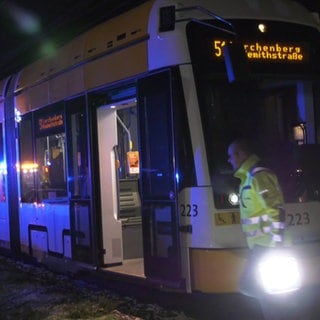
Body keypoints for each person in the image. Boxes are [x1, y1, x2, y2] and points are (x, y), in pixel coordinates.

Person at [227, 138, 290, 319]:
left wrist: (277, 244)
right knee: (256, 288)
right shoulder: (248, 178)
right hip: (260, 246)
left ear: (241, 154)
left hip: (268, 246)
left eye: (231, 156)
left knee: (252, 286)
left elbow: (276, 210)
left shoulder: (258, 176)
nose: (229, 160)